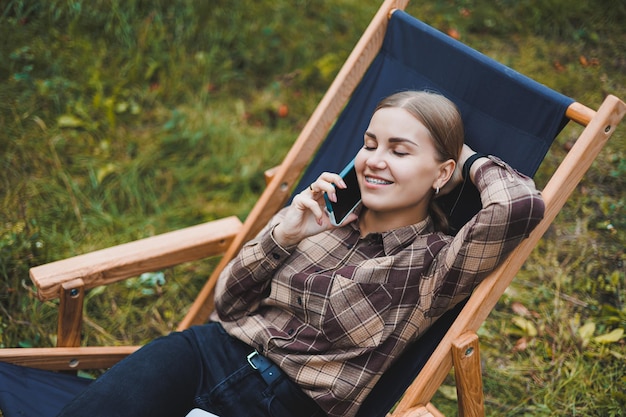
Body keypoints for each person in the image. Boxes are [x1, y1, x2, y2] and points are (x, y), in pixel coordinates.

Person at [56, 91, 544, 417]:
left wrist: (472, 161)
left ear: (442, 174)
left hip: (289, 405)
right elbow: (226, 307)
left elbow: (520, 205)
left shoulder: (437, 261)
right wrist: (284, 235)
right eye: (370, 143)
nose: (374, 160)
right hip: (207, 354)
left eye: (400, 150)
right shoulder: (321, 216)